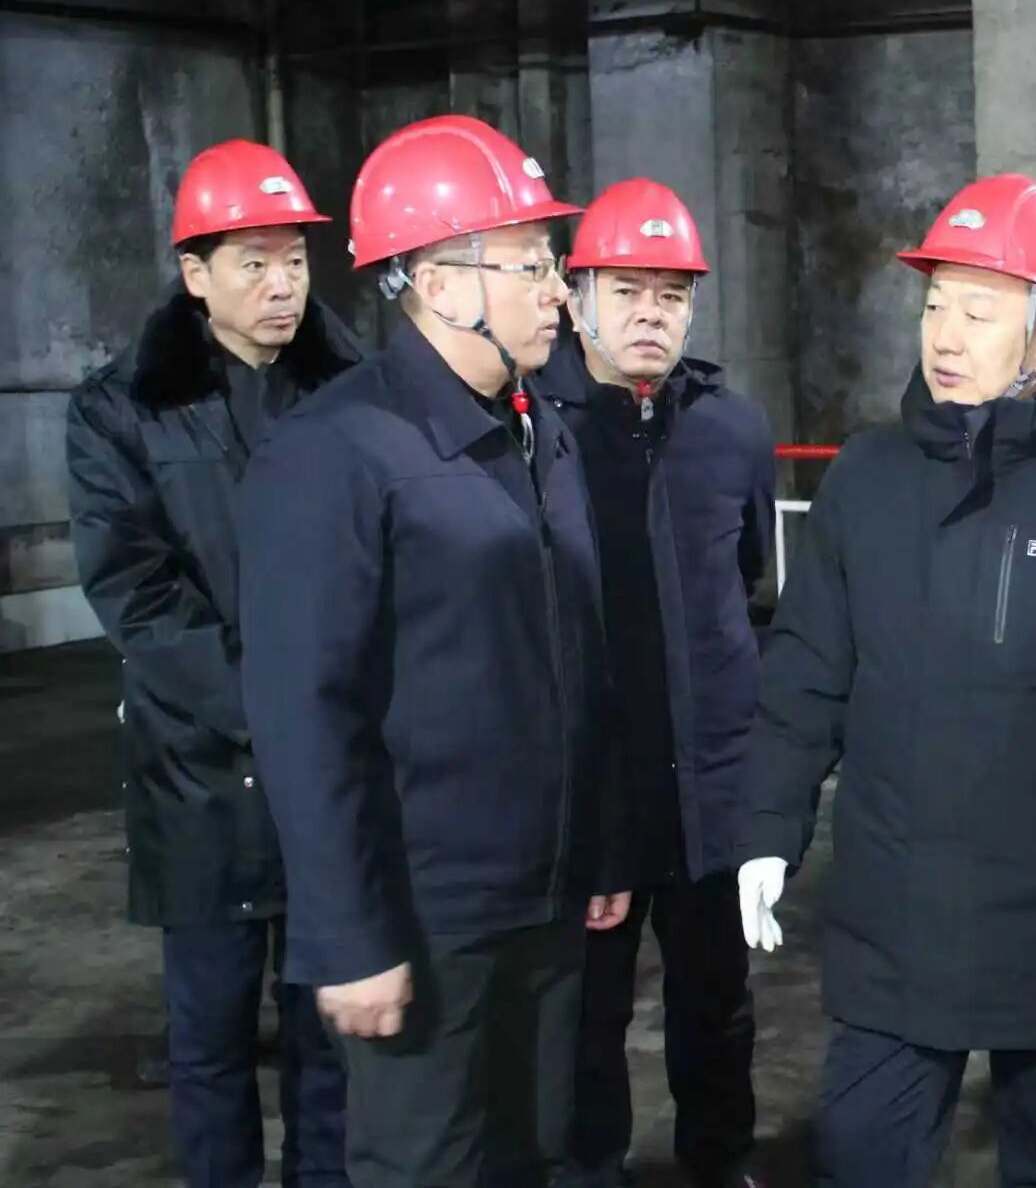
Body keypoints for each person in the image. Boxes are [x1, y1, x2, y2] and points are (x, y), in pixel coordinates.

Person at [735, 174, 1036, 1186]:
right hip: (895, 916)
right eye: (935, 306)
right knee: (863, 1157)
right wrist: (767, 827)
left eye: (978, 311)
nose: (945, 336)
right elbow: (805, 676)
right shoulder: (867, 481)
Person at [236, 115, 631, 1187]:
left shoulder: (540, 430)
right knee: (426, 1166)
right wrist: (348, 936)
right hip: (424, 912)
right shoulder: (333, 452)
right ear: (443, 283)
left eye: (552, 262)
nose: (558, 291)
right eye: (530, 264)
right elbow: (305, 715)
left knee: (530, 1152)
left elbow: (578, 658)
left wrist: (598, 848)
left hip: (544, 897)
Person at [67, 139, 357, 1188]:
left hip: (333, 773)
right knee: (211, 1042)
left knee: (332, 1039)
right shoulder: (122, 408)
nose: (283, 285)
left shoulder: (354, 390)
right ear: (195, 273)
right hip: (200, 774)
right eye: (254, 262)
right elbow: (138, 592)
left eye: (295, 259)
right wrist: (270, 709)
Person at [539, 178, 773, 1188]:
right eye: (627, 290)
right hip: (595, 788)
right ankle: (588, 1168)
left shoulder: (731, 429)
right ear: (574, 293)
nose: (651, 314)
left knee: (717, 1001)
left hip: (708, 782)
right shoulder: (535, 428)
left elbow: (748, 581)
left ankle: (719, 1163)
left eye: (672, 295)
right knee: (586, 1011)